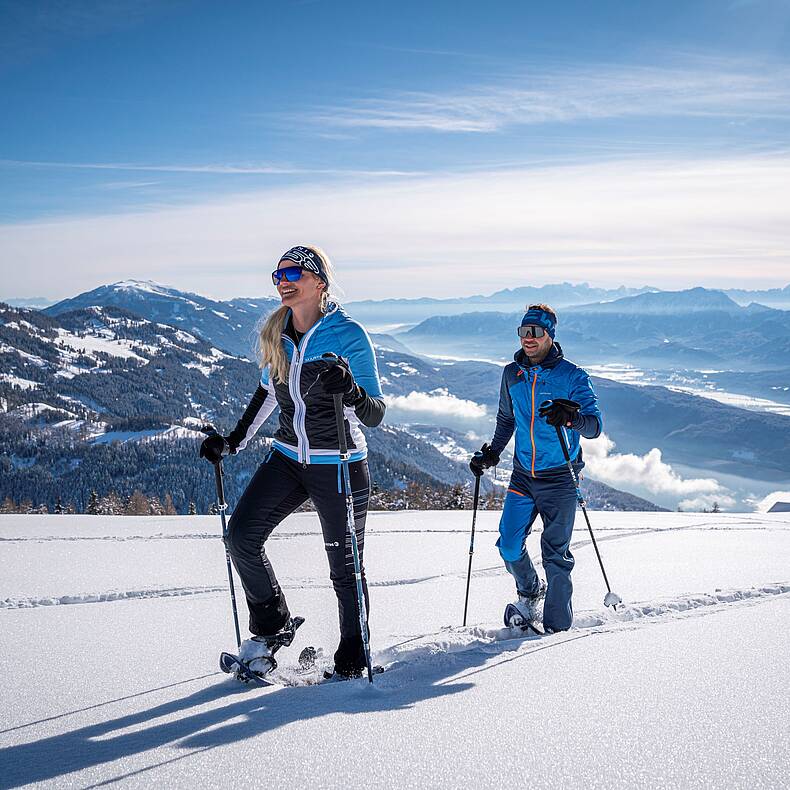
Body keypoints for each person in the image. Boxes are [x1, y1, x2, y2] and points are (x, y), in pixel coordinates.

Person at [199, 245, 385, 678]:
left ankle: (352, 660)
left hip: (339, 463)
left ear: (319, 281)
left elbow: (375, 413)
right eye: (278, 273)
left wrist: (352, 392)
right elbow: (267, 392)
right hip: (288, 457)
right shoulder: (278, 333)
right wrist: (231, 442)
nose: (284, 280)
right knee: (241, 536)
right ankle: (272, 626)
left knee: (346, 568)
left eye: (294, 273)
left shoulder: (349, 335)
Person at [469, 304, 601, 632]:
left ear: (549, 335)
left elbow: (595, 426)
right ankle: (530, 592)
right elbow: (506, 419)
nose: (528, 338)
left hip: (560, 476)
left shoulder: (572, 376)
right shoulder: (511, 374)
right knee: (509, 544)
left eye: (535, 333)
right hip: (523, 475)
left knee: (556, 556)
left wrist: (570, 418)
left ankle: (556, 631)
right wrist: (492, 454)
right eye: (523, 331)